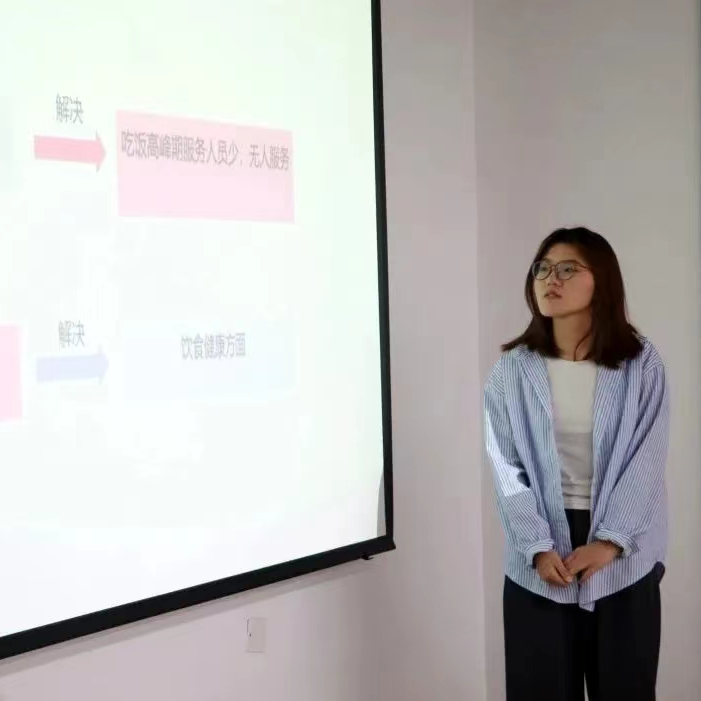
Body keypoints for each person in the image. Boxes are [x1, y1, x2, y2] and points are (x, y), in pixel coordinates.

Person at [483, 227, 669, 701]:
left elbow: (647, 460)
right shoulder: (511, 370)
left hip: (623, 556)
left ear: (601, 280)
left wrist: (609, 542)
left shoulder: (641, 363)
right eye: (543, 268)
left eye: (568, 269)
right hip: (538, 553)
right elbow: (506, 469)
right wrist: (537, 547)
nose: (552, 278)